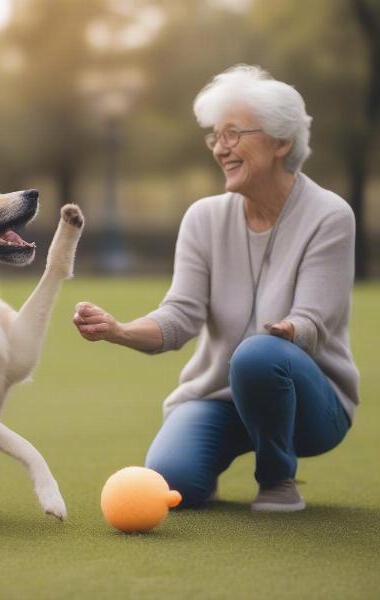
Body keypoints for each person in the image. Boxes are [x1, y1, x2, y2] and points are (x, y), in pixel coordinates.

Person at [72, 65, 358, 512]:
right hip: (219, 398)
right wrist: (119, 330)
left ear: (282, 141)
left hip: (308, 403)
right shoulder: (203, 218)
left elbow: (314, 322)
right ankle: (216, 459)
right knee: (174, 484)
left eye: (233, 134)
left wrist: (289, 330)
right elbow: (180, 316)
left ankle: (277, 478)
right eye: (215, 137)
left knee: (258, 355)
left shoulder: (330, 216)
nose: (221, 148)